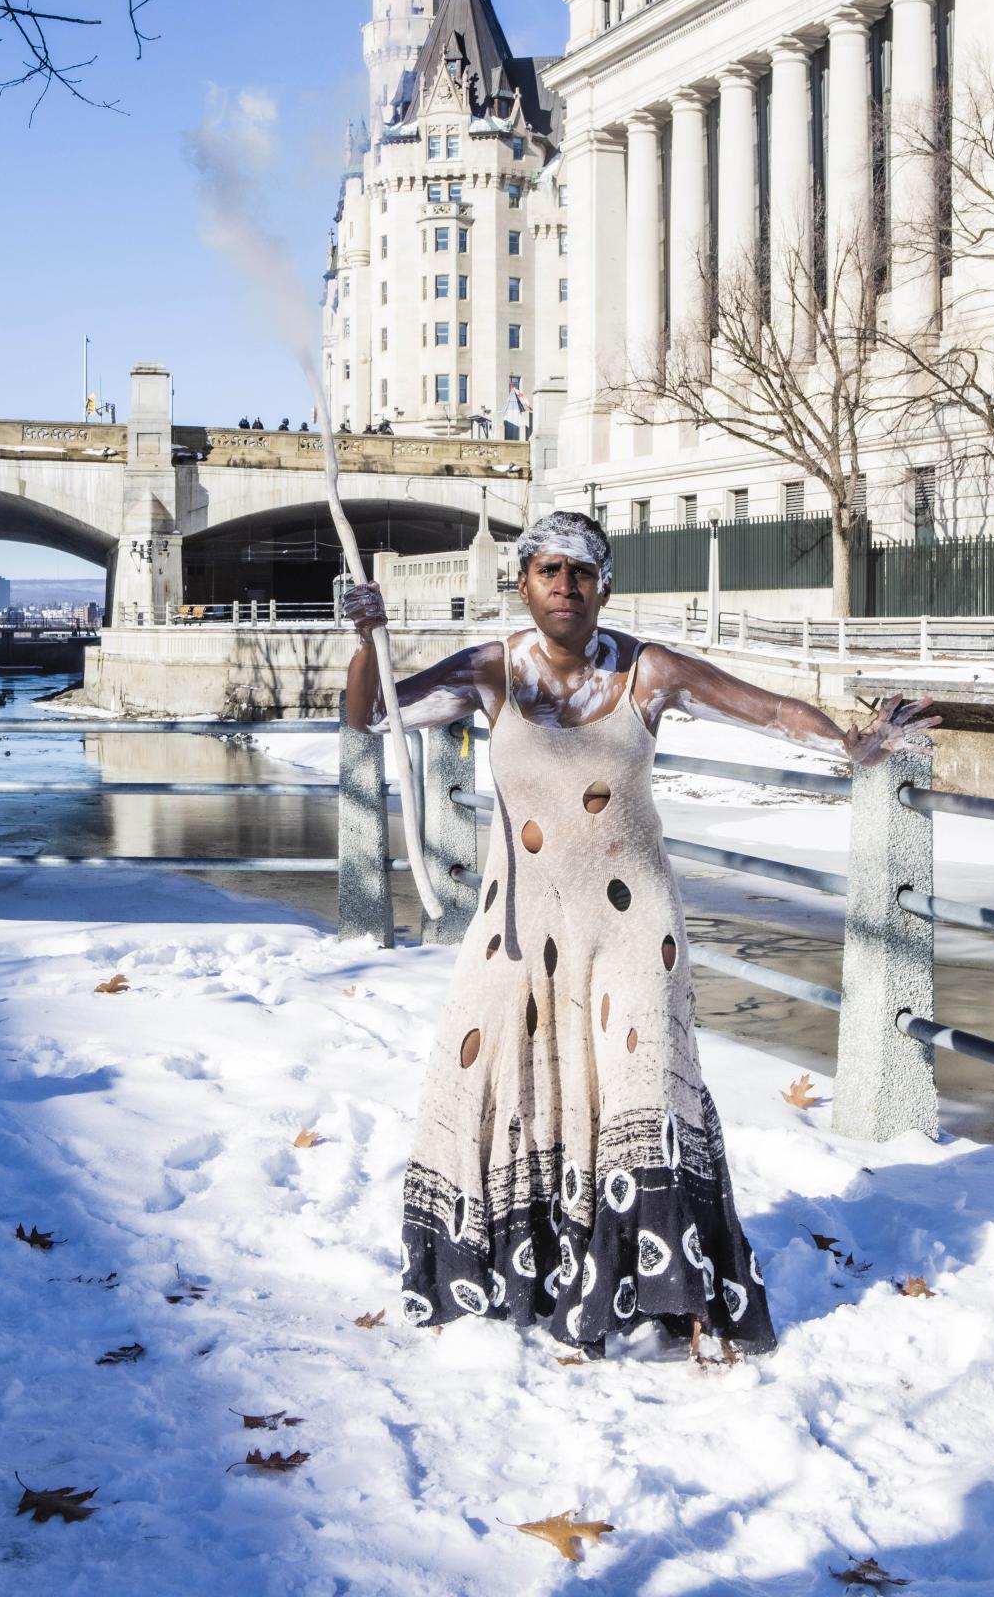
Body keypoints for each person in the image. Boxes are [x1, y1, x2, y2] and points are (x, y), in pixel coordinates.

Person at [344, 509, 937, 1358]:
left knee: (641, 1089)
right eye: (548, 571)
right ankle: (531, 1267)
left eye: (581, 573)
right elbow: (372, 721)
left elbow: (762, 707)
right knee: (507, 1086)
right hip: (519, 924)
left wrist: (851, 741)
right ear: (523, 584)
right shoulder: (489, 671)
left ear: (604, 586)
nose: (565, 587)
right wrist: (367, 641)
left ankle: (667, 1287)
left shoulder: (647, 671)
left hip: (632, 924)